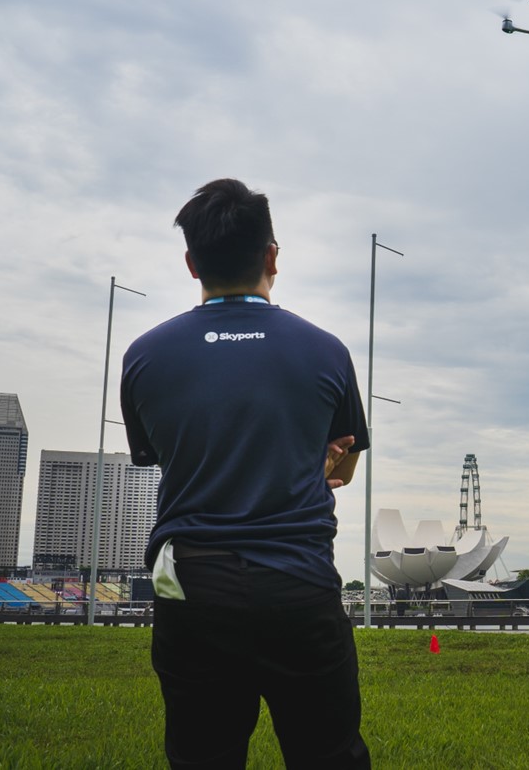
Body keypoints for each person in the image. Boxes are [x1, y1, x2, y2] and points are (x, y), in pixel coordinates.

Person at [122, 179, 372, 769]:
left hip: (193, 588)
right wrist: (314, 459)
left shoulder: (145, 355)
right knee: (329, 755)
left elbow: (164, 453)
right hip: (299, 583)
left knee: (202, 756)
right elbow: (347, 464)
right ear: (272, 256)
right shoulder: (326, 351)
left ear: (191, 263)